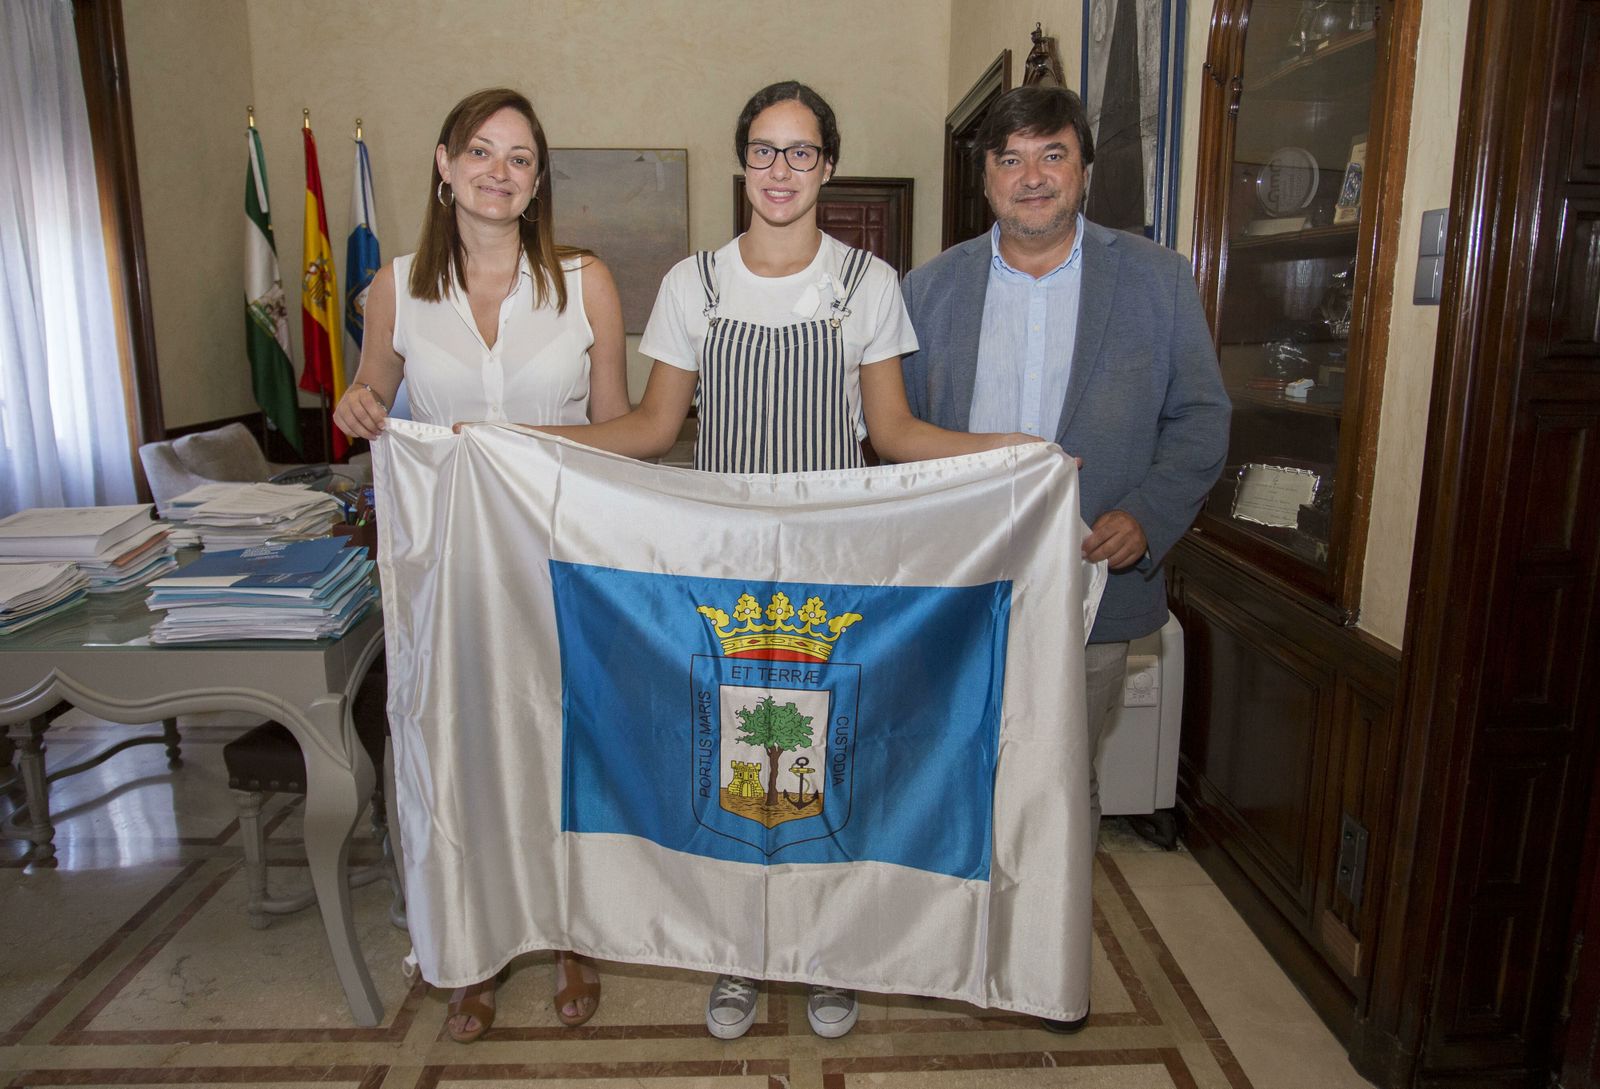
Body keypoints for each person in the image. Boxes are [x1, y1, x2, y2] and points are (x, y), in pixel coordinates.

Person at [540, 80, 1039, 1040]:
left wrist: (1011, 449)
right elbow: (649, 427)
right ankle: (739, 951)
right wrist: (516, 439)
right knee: (734, 762)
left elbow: (892, 434)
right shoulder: (695, 284)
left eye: (800, 153)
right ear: (742, 164)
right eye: (764, 151)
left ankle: (829, 951)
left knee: (829, 760)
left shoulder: (869, 284)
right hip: (722, 569)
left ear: (828, 167)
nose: (781, 171)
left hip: (834, 567)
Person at [899, 84, 1231, 1030]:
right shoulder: (932, 288)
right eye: (1010, 159)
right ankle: (951, 945)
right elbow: (898, 430)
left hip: (1092, 585)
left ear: (1084, 167)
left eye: (1051, 154)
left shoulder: (1158, 281)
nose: (1031, 176)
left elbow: (1201, 421)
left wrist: (1147, 516)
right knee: (954, 767)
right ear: (986, 178)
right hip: (963, 589)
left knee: (1061, 778)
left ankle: (1044, 960)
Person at [332, 86, 628, 1043]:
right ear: (445, 162)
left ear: (539, 182)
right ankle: (474, 944)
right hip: (449, 568)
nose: (501, 172)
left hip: (564, 556)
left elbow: (627, 432)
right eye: (484, 152)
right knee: (461, 752)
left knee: (562, 745)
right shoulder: (397, 286)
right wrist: (357, 404)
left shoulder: (586, 281)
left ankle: (573, 934)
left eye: (522, 159)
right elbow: (375, 393)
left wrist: (511, 439)